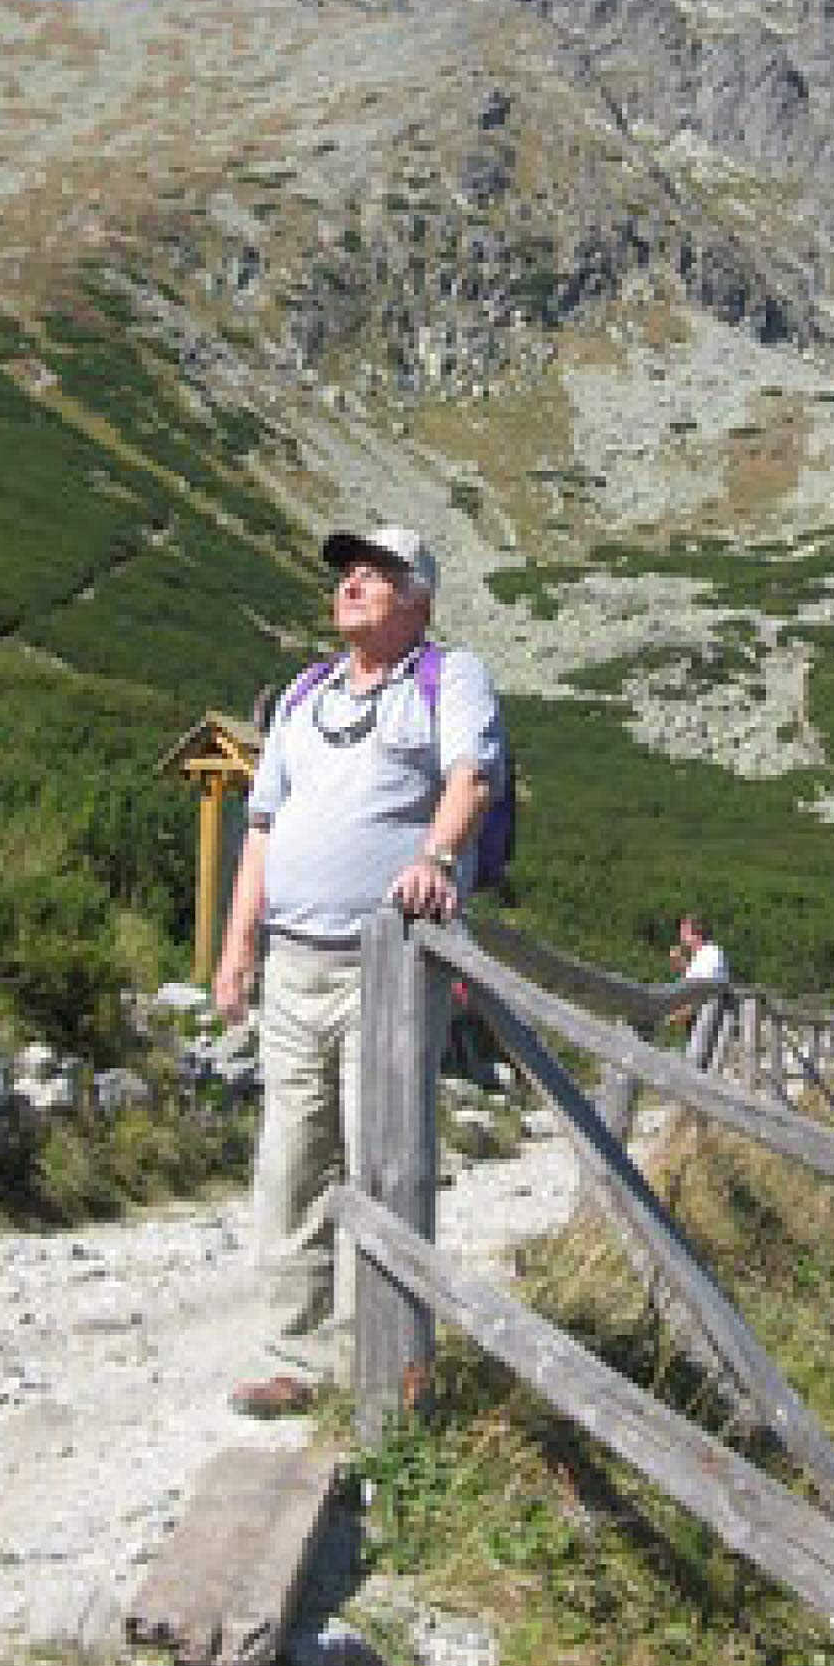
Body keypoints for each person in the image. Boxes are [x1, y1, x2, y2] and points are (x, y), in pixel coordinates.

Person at [215, 521, 504, 1417]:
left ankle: (380, 1365)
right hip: (294, 963)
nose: (352, 584)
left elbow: (472, 775)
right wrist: (235, 949)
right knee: (291, 1160)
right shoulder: (305, 693)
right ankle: (292, 1358)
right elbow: (261, 828)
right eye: (347, 572)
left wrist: (438, 857)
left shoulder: (447, 678)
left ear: (417, 599)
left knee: (382, 1162)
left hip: (387, 970)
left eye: (377, 575)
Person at [669, 911, 732, 1070]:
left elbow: (707, 989)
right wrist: (682, 965)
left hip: (707, 1018)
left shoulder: (712, 953)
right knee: (692, 1062)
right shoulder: (701, 956)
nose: (681, 935)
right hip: (698, 1018)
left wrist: (681, 1012)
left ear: (697, 932)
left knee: (695, 1065)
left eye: (685, 930)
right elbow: (694, 983)